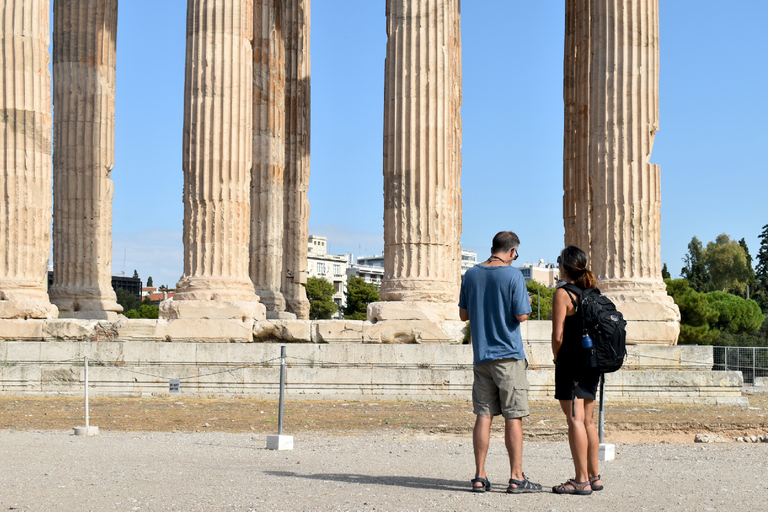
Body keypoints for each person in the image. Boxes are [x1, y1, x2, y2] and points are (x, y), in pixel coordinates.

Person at [458, 231, 542, 494]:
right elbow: (521, 316)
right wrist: (524, 303)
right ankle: (516, 477)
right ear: (513, 252)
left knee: (483, 415)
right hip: (508, 355)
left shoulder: (471, 274)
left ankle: (480, 476)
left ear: (493, 247)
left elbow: (463, 315)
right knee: (513, 416)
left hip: (481, 355)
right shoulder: (514, 275)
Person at [550, 245, 603, 495]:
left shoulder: (563, 293)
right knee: (589, 421)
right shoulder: (592, 292)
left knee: (575, 421)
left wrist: (556, 356)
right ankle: (595, 477)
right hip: (592, 365)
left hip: (571, 364)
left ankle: (580, 480)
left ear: (563, 267)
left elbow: (558, 335)